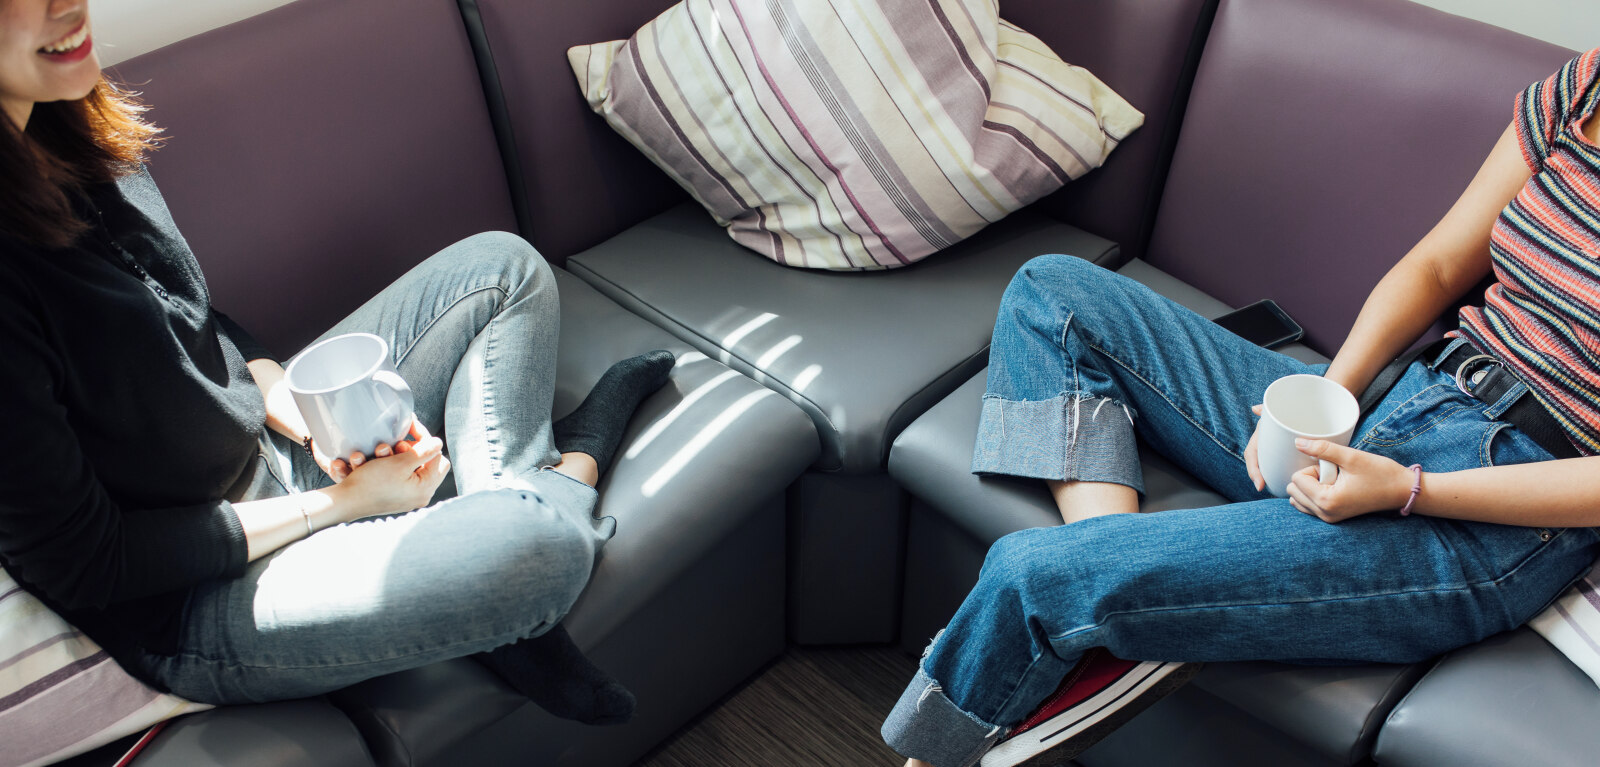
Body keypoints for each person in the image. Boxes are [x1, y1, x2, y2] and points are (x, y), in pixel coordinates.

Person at [883, 47, 1600, 767]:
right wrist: (1333, 393)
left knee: (1033, 575)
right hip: (1408, 401)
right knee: (1055, 295)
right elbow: (1437, 266)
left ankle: (1097, 608)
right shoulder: (1582, 87)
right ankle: (1133, 619)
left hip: (1498, 510)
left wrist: (1411, 489)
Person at [0, 0, 673, 723]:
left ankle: (490, 534)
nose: (64, 1)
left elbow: (190, 317)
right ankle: (568, 473)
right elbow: (89, 562)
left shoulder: (66, 123)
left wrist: (293, 403)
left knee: (505, 269)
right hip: (195, 594)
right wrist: (344, 503)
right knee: (533, 550)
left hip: (264, 452)